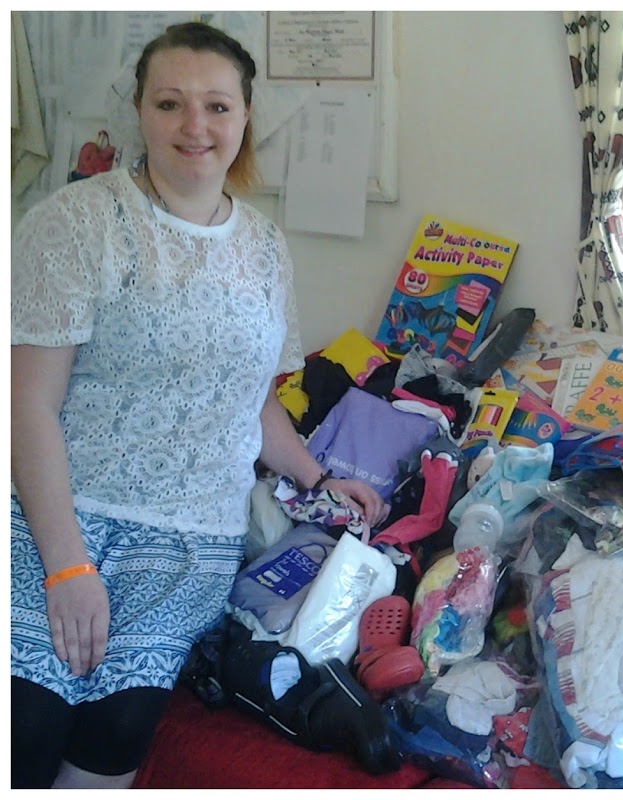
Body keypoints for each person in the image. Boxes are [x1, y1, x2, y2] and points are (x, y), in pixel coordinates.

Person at [11, 22, 386, 789]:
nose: (194, 125)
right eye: (170, 103)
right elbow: (26, 407)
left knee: (116, 733)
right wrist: (67, 565)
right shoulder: (75, 222)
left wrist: (317, 478)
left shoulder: (265, 247)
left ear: (245, 116)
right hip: (64, 515)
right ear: (140, 111)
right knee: (25, 726)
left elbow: (251, 403)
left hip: (192, 541)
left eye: (217, 106)